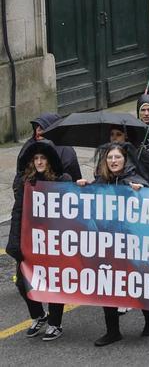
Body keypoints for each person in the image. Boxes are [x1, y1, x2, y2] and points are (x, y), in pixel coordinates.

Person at [79, 142, 149, 346]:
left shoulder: (134, 180)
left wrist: (141, 192)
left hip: (132, 243)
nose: (113, 161)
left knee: (137, 282)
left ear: (125, 160)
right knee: (108, 284)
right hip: (108, 242)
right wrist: (83, 188)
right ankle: (112, 330)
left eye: (117, 157)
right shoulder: (100, 181)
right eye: (110, 158)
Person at [8, 139, 71, 342]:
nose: (39, 162)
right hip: (31, 241)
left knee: (53, 281)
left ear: (49, 161)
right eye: (36, 158)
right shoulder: (26, 182)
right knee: (23, 282)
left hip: (53, 241)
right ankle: (38, 316)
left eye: (43, 158)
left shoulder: (62, 180)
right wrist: (14, 242)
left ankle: (55, 322)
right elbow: (17, 212)